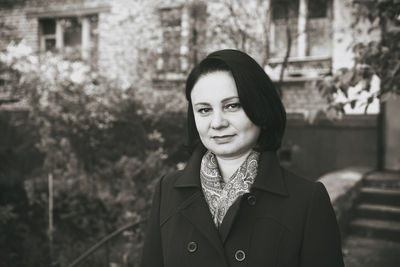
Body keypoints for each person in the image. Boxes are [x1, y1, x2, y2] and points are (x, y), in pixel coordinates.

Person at [140, 49, 344, 267]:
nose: (217, 122)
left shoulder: (307, 200)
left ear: (261, 108)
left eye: (232, 106)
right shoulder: (168, 190)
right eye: (204, 110)